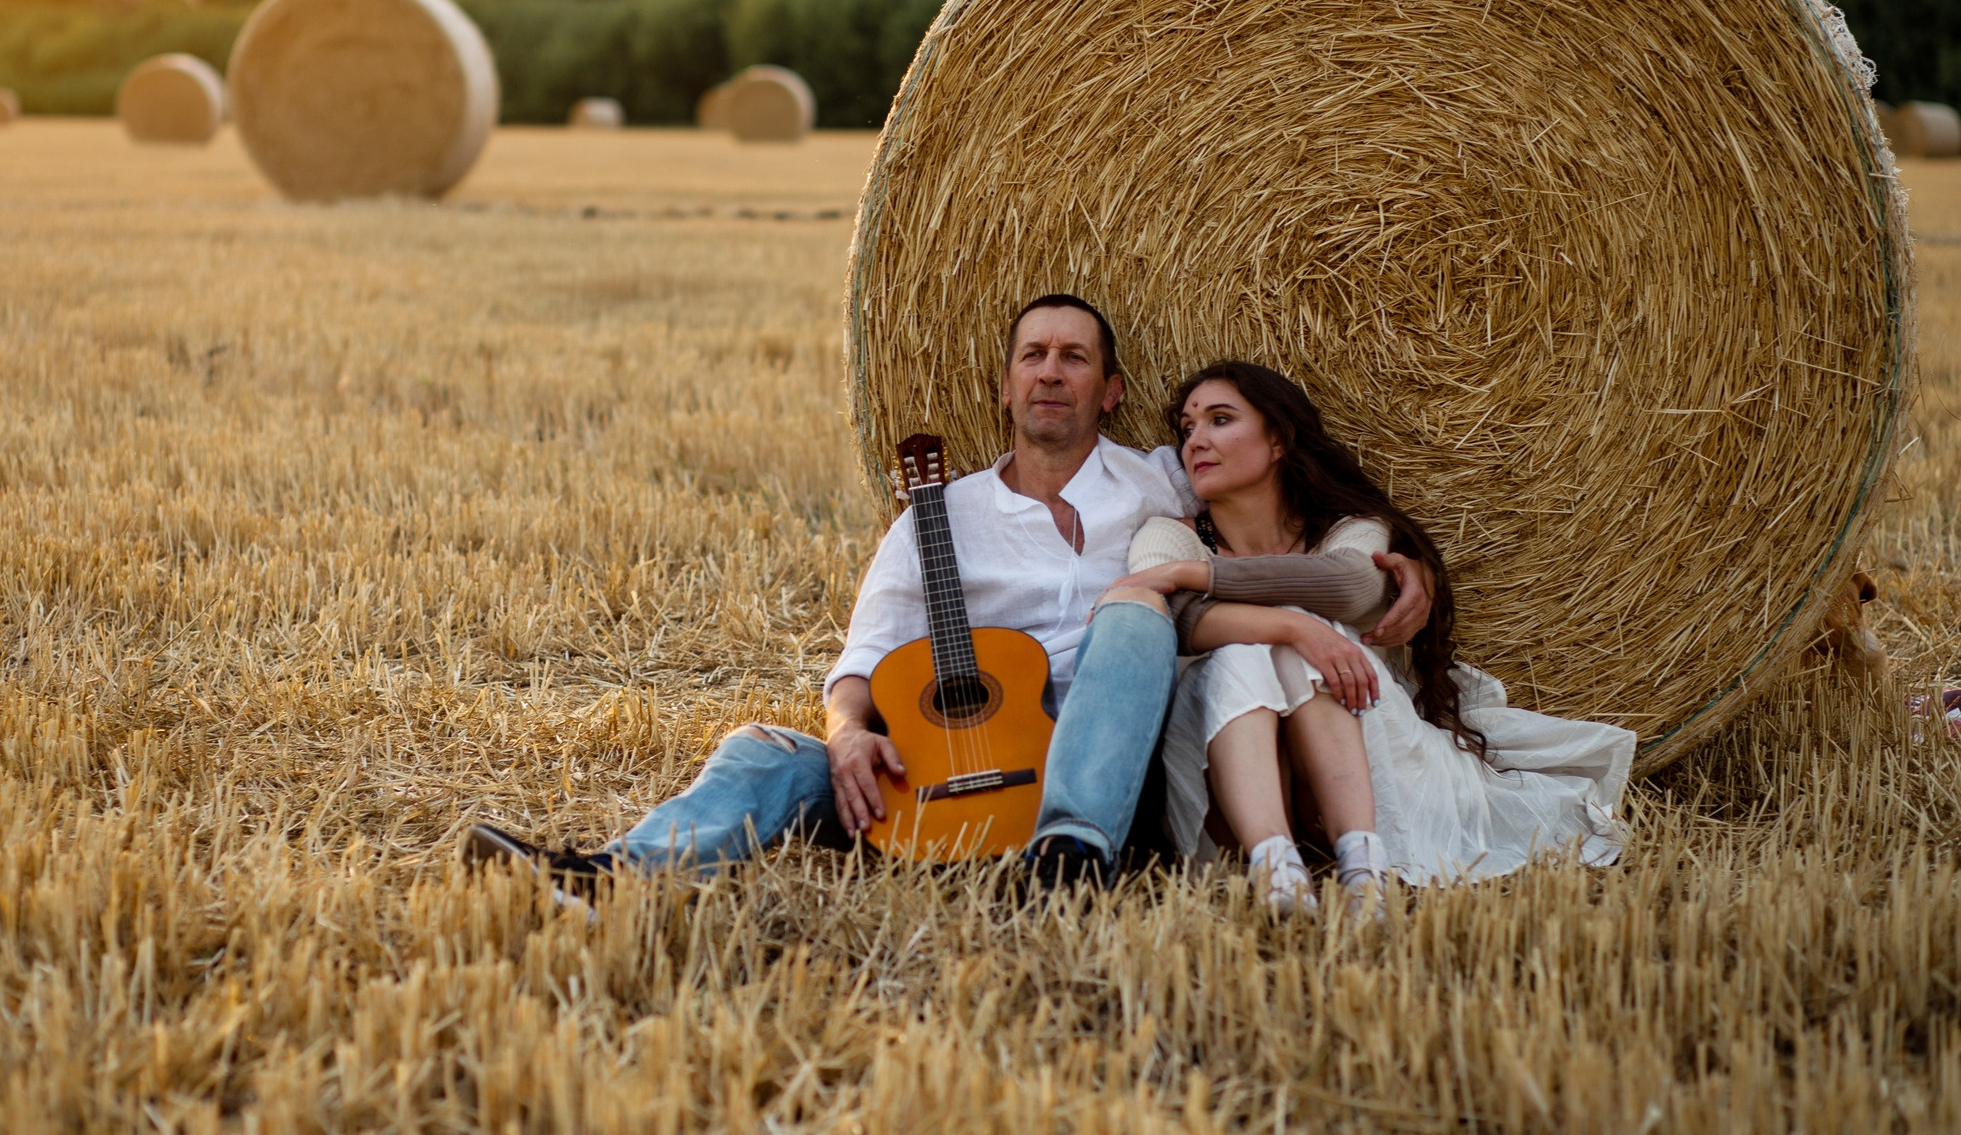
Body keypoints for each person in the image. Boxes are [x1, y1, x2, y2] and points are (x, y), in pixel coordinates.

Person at [465, 297, 1436, 894]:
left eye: (1074, 357)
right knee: (765, 748)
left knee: (1133, 611)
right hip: (972, 749)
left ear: (1109, 390)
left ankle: (1066, 859)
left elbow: (1276, 490)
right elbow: (861, 660)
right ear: (1004, 385)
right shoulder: (940, 511)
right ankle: (615, 870)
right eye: (1033, 354)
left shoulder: (1154, 481)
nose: (1050, 370)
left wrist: (1397, 561)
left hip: (1111, 753)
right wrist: (848, 732)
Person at [1107, 361, 1635, 915]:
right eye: (1188, 428)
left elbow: (1352, 585)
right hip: (1230, 793)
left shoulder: (1346, 529)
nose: (1197, 441)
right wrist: (1294, 626)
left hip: (1361, 774)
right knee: (1254, 647)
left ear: (1279, 438)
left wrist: (1199, 576)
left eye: (1220, 420)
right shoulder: (1167, 535)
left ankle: (1362, 868)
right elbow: (1171, 618)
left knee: (1290, 634)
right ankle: (1275, 863)